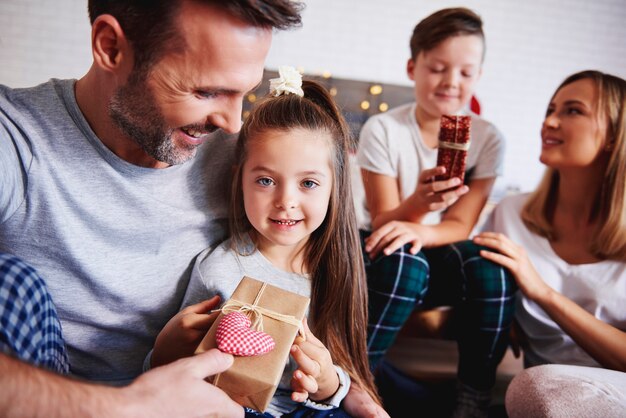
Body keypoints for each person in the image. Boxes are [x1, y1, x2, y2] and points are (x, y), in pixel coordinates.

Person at [0, 1, 303, 416]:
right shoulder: (15, 139)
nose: (233, 124)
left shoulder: (246, 166)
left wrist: (344, 381)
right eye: (205, 91)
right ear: (111, 47)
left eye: (244, 93)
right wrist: (123, 407)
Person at [150, 67, 389, 417]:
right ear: (240, 180)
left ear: (335, 186)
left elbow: (341, 371)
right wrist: (164, 351)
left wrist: (329, 384)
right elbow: (171, 376)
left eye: (308, 183)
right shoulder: (221, 271)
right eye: (265, 180)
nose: (286, 201)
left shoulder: (333, 267)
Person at [354, 7, 517, 416]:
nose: (451, 82)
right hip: (383, 247)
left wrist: (423, 228)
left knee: (492, 268)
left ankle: (473, 394)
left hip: (439, 243)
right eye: (438, 68)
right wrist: (419, 205)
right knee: (407, 262)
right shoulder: (385, 130)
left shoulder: (486, 138)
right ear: (413, 67)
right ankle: (356, 381)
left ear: (479, 75)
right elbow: (383, 222)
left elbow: (461, 223)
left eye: (465, 72)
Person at [474, 70, 626, 416]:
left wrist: (543, 293)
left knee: (534, 386)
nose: (550, 122)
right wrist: (497, 306)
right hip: (543, 399)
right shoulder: (512, 213)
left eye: (573, 111)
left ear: (615, 135)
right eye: (550, 110)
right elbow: (473, 278)